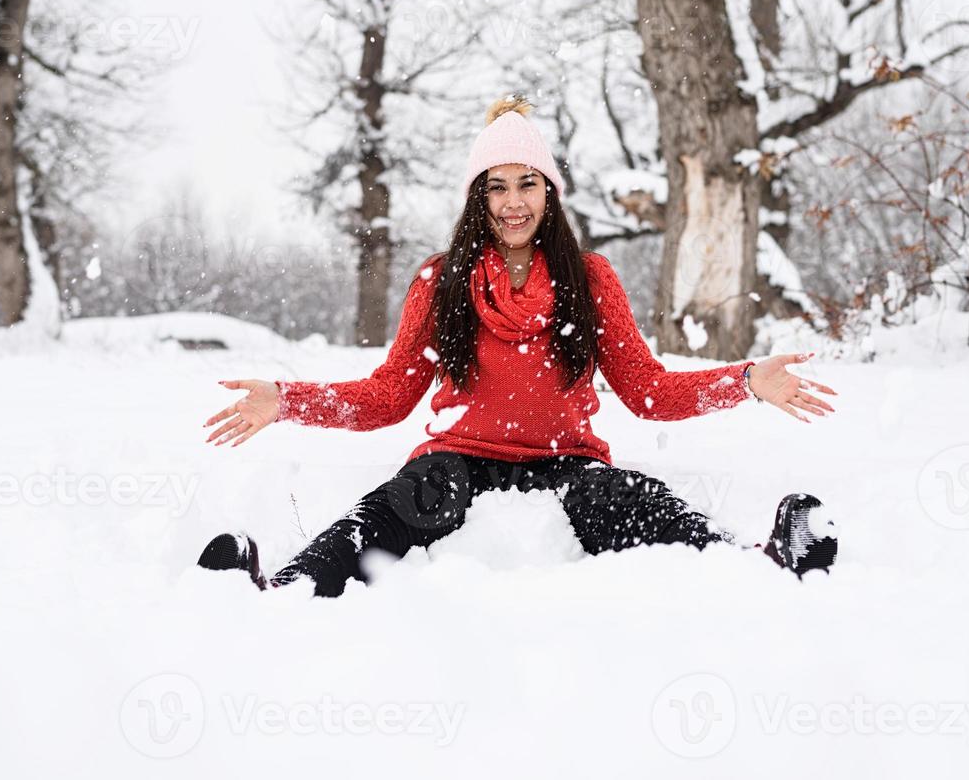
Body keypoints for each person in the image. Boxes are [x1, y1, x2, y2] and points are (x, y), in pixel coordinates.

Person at [198, 94, 839, 597]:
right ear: (478, 196)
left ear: (550, 192)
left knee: (611, 497)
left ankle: (756, 563)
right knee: (416, 494)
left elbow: (647, 390)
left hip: (567, 460)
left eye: (526, 184)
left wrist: (747, 380)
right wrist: (286, 400)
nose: (511, 203)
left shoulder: (590, 280)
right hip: (460, 460)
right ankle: (288, 585)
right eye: (496, 187)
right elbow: (387, 397)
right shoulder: (438, 279)